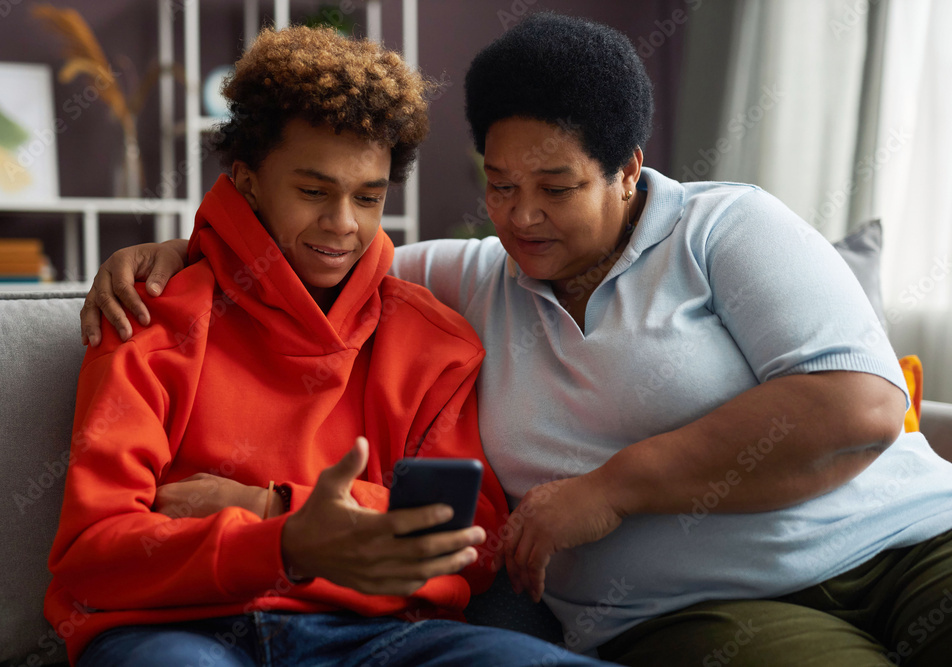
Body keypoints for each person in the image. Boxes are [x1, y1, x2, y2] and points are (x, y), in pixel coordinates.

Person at [81, 12, 952, 667]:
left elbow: (861, 404)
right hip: (693, 611)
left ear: (629, 170)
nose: (522, 216)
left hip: (910, 539)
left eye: (556, 186)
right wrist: (187, 247)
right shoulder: (462, 279)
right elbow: (297, 252)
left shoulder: (726, 227)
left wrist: (611, 488)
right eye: (500, 185)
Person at [46, 24, 614, 667]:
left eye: (368, 198)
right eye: (313, 191)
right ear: (249, 180)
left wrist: (278, 509)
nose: (342, 224)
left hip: (378, 636)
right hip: (177, 631)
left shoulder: (433, 344)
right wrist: (288, 545)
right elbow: (94, 550)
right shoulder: (147, 318)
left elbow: (469, 546)